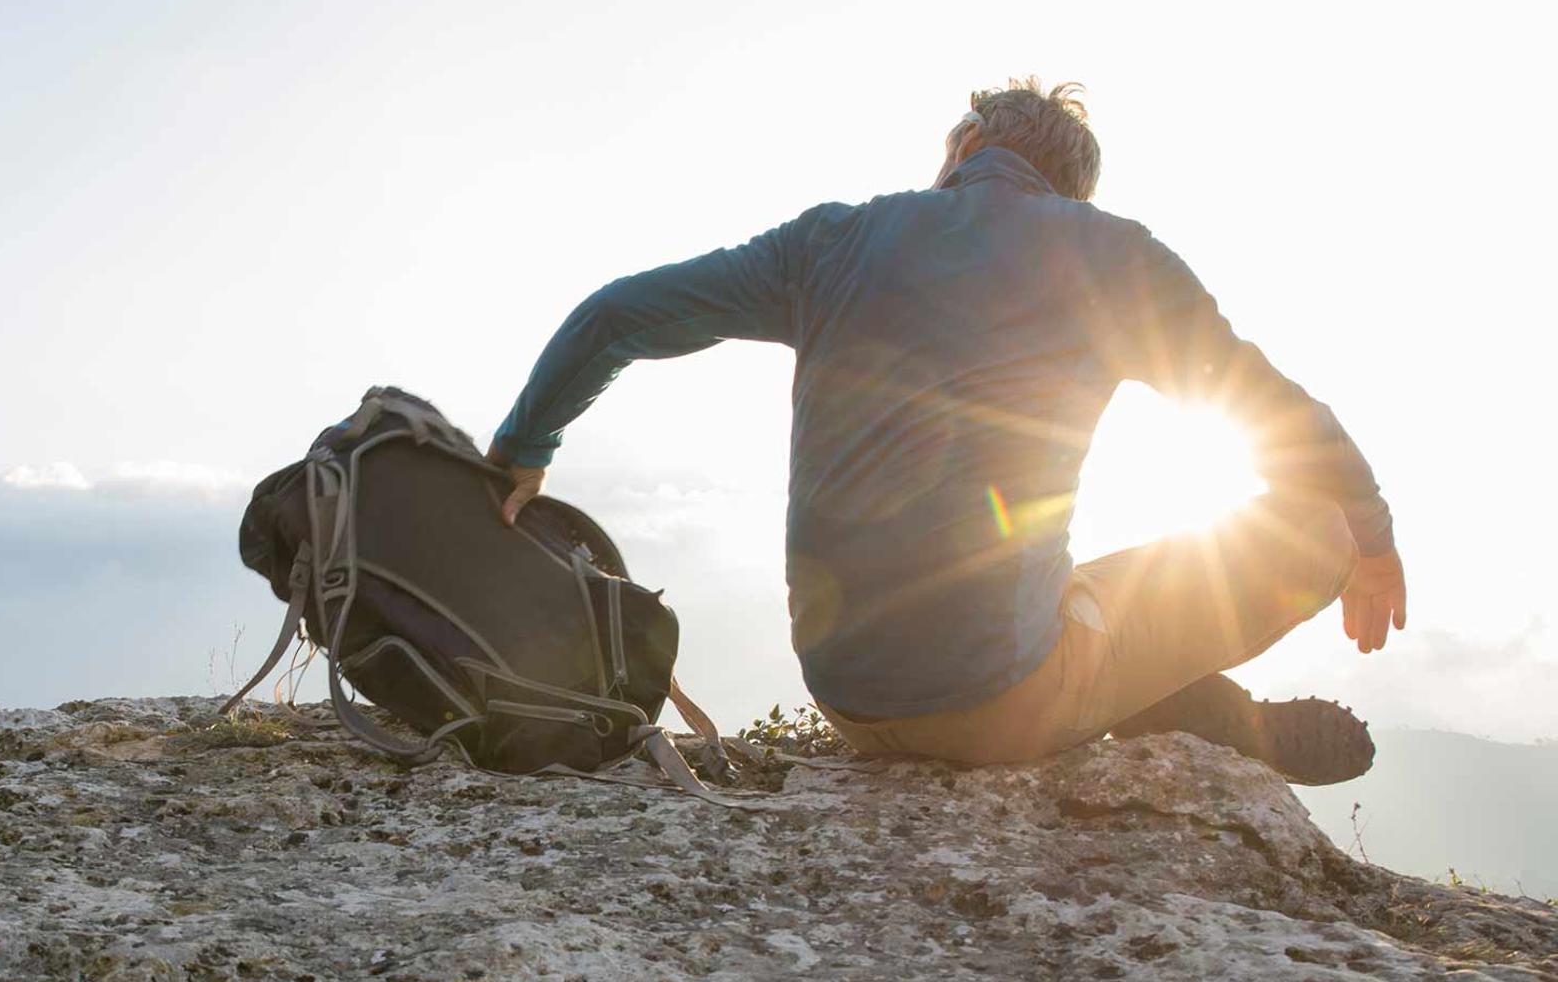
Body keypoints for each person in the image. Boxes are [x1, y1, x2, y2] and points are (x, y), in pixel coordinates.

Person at [485, 80, 1406, 785]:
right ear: (1072, 190)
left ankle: (1180, 707)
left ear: (967, 146)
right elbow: (1281, 419)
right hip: (997, 704)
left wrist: (523, 450)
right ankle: (1221, 721)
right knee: (1313, 529)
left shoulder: (831, 243)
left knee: (1069, 586)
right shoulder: (1110, 253)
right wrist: (1372, 542)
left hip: (845, 694)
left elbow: (614, 316)